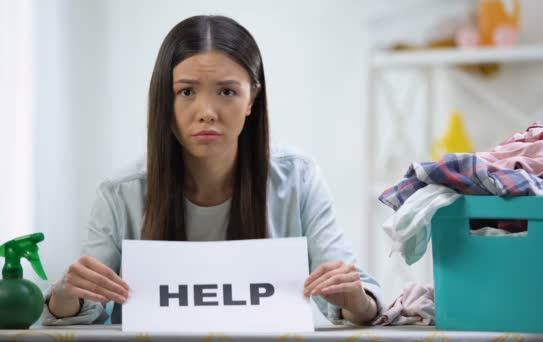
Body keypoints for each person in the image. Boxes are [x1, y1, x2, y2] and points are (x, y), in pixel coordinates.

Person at [42, 15, 383, 326]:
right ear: (165, 98)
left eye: (227, 91)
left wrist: (356, 300)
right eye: (186, 91)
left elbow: (357, 299)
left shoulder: (299, 178)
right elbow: (84, 308)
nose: (206, 111)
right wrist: (64, 297)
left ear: (252, 99)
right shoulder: (120, 192)